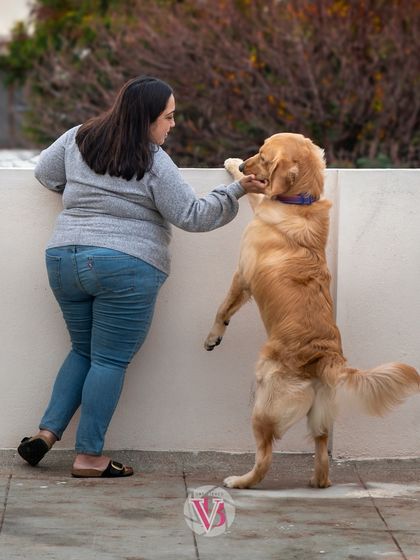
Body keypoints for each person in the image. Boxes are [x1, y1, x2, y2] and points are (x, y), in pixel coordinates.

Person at [17, 75, 266, 478]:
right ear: (146, 119)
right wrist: (236, 190)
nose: (172, 125)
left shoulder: (78, 137)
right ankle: (89, 457)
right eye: (168, 118)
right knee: (109, 359)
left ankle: (46, 434)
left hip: (64, 258)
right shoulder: (153, 160)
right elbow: (193, 216)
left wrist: (81, 191)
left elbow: (45, 175)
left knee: (83, 351)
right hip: (125, 265)